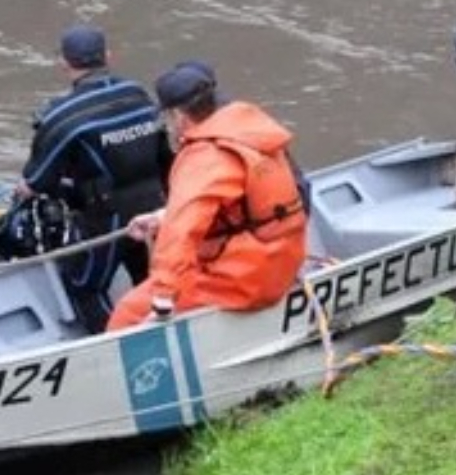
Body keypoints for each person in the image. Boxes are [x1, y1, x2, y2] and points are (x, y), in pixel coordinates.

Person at [105, 61, 309, 332]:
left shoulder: (205, 158)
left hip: (245, 276)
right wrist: (161, 217)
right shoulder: (248, 132)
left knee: (128, 312)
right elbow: (240, 204)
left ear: (179, 116)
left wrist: (163, 299)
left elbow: (181, 232)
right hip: (283, 260)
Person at [19, 24, 172, 333]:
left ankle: (116, 348)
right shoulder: (139, 94)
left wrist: (24, 192)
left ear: (64, 63)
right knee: (152, 281)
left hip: (108, 218)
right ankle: (165, 334)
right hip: (156, 206)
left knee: (85, 286)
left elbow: (37, 182)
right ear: (108, 56)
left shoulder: (63, 116)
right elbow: (165, 155)